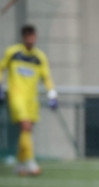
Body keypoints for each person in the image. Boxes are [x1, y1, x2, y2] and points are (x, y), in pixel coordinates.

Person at [0, 24, 57, 176]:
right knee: (26, 127)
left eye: (34, 37)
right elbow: (1, 68)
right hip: (16, 97)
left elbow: (47, 77)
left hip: (32, 100)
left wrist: (52, 95)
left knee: (26, 130)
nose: (32, 40)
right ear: (24, 37)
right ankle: (31, 163)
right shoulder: (12, 52)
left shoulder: (39, 57)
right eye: (29, 37)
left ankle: (19, 164)